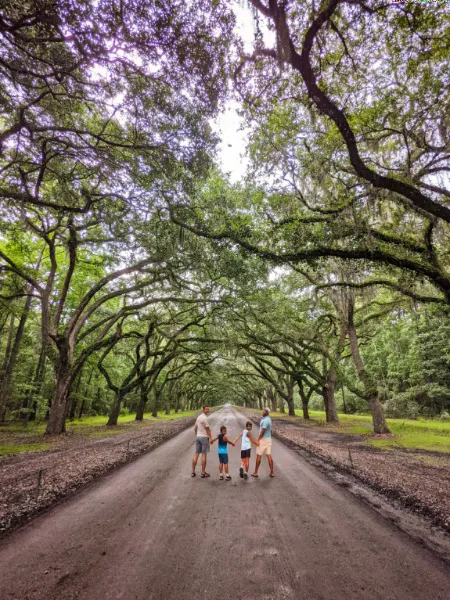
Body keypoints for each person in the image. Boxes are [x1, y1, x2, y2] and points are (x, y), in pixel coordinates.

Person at [252, 407, 274, 478]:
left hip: (263, 440)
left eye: (264, 411)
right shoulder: (269, 419)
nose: (262, 412)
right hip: (268, 440)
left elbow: (263, 431)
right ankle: (272, 472)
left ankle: (255, 472)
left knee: (259, 455)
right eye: (263, 411)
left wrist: (258, 439)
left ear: (267, 412)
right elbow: (270, 430)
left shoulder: (265, 421)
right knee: (269, 455)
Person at [192, 406, 212, 478]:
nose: (208, 410)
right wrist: (211, 438)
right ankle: (203, 472)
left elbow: (195, 428)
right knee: (204, 455)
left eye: (208, 409)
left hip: (198, 437)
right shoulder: (205, 418)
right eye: (206, 409)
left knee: (196, 454)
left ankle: (193, 472)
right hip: (204, 437)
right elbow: (208, 429)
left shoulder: (198, 417)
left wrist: (196, 435)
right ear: (203, 410)